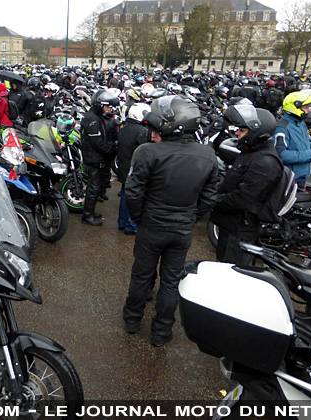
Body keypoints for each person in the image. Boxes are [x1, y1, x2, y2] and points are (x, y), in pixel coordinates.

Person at [123, 95, 218, 347]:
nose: (153, 131)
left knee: (141, 276)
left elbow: (132, 191)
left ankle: (132, 321)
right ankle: (161, 332)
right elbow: (210, 195)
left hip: (152, 225)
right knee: (170, 282)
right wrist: (191, 216)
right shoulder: (207, 154)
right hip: (181, 227)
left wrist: (139, 217)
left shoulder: (147, 152)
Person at [210, 105, 281, 265]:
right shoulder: (252, 152)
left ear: (256, 132)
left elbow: (243, 199)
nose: (236, 133)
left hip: (239, 230)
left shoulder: (265, 162)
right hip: (231, 225)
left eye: (242, 130)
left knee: (229, 273)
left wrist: (212, 199)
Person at [80, 89, 119, 226]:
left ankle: (90, 211)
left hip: (98, 158)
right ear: (100, 104)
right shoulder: (92, 119)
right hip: (93, 158)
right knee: (94, 187)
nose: (109, 109)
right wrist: (112, 150)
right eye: (107, 106)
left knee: (97, 186)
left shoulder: (97, 117)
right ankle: (87, 215)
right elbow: (97, 142)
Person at [116, 103, 151, 235]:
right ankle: (131, 225)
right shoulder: (142, 131)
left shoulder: (124, 127)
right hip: (134, 170)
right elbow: (143, 152)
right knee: (135, 198)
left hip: (124, 167)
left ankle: (122, 222)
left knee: (125, 196)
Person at [274, 91, 311, 189]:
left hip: (302, 177)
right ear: (294, 107)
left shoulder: (301, 123)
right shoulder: (282, 128)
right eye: (306, 107)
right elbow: (281, 155)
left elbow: (308, 141)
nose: (309, 110)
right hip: (290, 181)